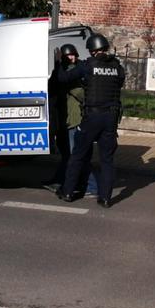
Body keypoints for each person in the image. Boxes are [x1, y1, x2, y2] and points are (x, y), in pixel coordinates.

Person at [56, 34, 125, 208]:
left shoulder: (88, 66)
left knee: (77, 155)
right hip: (111, 118)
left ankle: (68, 192)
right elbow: (118, 84)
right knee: (107, 160)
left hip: (92, 117)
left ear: (93, 51)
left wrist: (58, 63)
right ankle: (105, 198)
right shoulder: (117, 67)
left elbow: (63, 78)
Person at [42, 43, 98, 196]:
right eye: (67, 56)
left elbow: (83, 95)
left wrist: (71, 87)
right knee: (67, 155)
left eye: (72, 54)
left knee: (77, 156)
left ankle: (92, 186)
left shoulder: (79, 70)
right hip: (62, 119)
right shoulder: (59, 71)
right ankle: (59, 181)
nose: (70, 58)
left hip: (75, 119)